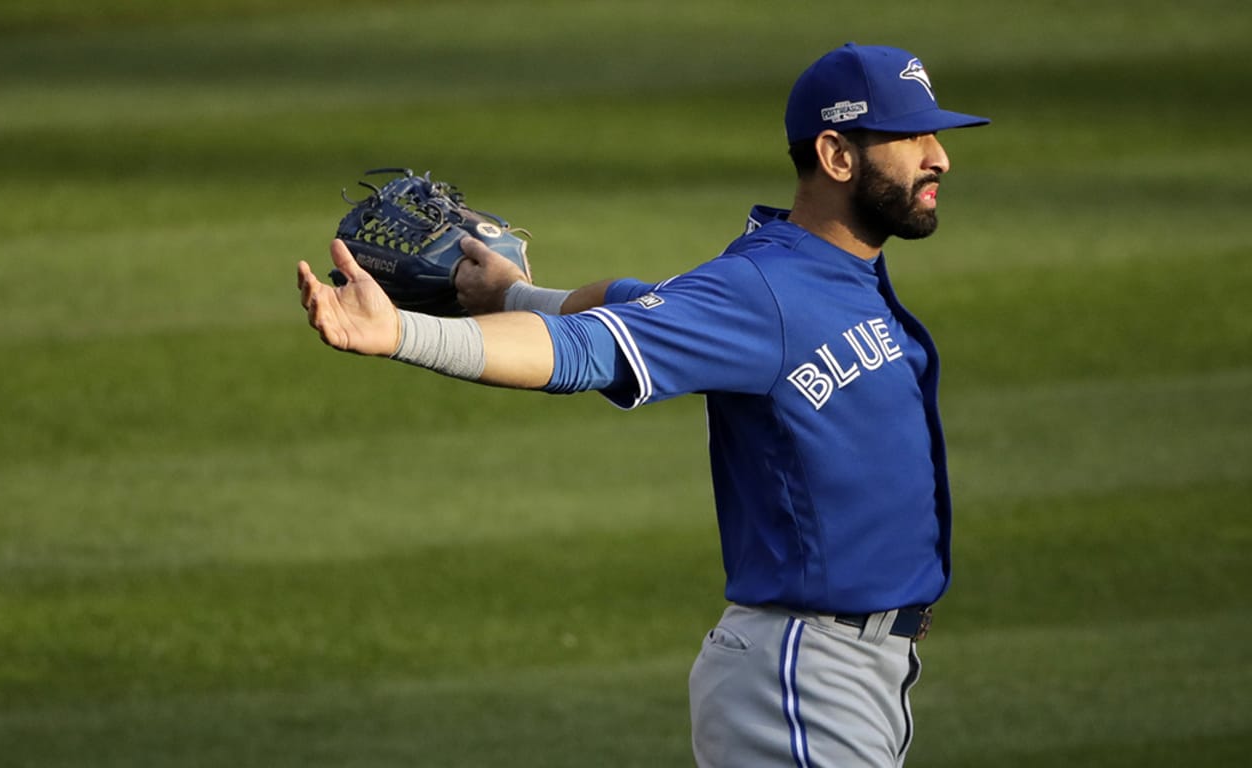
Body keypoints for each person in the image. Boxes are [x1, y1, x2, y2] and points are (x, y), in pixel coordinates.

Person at [297, 42, 988, 768]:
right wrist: (403, 332)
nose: (938, 157)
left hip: (853, 674)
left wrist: (511, 294)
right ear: (837, 155)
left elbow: (634, 299)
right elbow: (586, 350)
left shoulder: (828, 275)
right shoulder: (765, 289)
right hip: (804, 674)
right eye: (912, 138)